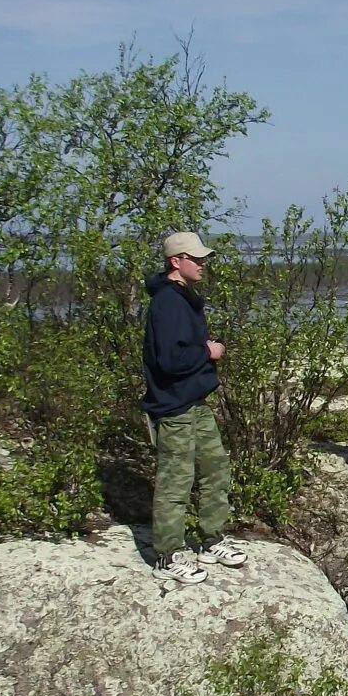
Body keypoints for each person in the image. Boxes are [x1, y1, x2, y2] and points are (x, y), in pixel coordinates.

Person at [141, 230, 248, 584]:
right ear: (176, 262)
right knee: (176, 479)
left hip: (195, 402)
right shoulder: (167, 303)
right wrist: (208, 351)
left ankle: (211, 539)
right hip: (174, 407)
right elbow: (169, 360)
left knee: (216, 467)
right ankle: (168, 555)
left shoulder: (184, 299)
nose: (203, 264)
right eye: (196, 259)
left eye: (202, 258)